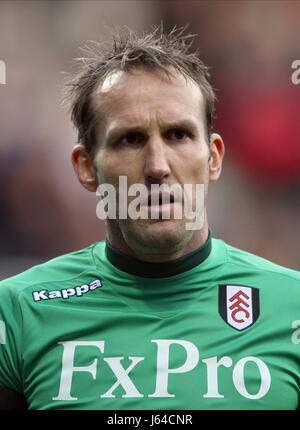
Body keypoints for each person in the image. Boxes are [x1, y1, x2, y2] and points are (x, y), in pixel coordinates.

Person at [0, 25, 299, 410]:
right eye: (130, 139)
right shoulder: (18, 311)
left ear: (213, 158)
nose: (157, 167)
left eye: (178, 135)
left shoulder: (290, 308)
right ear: (86, 167)